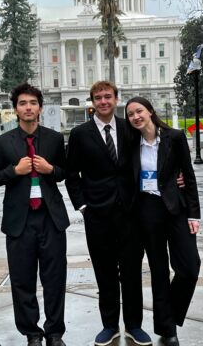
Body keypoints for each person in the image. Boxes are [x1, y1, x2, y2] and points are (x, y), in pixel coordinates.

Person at [65, 81, 151, 346]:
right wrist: (82, 206)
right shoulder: (80, 134)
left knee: (131, 271)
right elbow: (71, 175)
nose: (103, 101)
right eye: (98, 98)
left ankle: (134, 325)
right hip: (97, 214)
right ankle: (110, 325)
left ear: (116, 99)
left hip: (129, 213)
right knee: (105, 272)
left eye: (108, 97)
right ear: (92, 101)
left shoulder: (130, 129)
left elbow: (152, 152)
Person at [0, 83, 69, 346]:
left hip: (50, 219)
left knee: (54, 278)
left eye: (33, 102)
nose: (28, 107)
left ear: (40, 107)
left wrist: (50, 169)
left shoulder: (54, 139)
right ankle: (32, 333)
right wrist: (14, 172)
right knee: (22, 280)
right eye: (22, 103)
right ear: (16, 109)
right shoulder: (3, 143)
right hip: (19, 222)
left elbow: (65, 172)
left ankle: (54, 332)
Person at [125, 97, 201, 346]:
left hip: (175, 207)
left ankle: (172, 314)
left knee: (189, 267)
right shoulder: (130, 142)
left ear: (150, 112)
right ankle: (167, 329)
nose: (136, 117)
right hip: (146, 211)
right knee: (159, 271)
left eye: (139, 111)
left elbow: (188, 176)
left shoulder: (174, 137)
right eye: (130, 114)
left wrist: (193, 214)